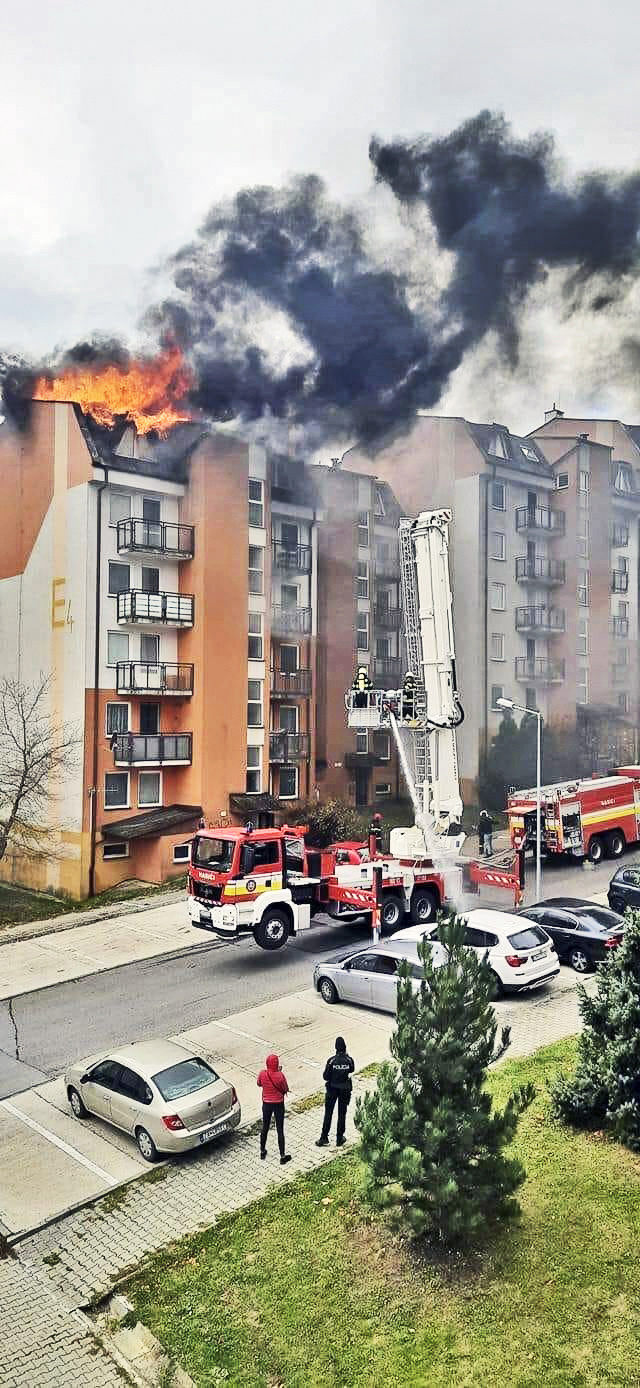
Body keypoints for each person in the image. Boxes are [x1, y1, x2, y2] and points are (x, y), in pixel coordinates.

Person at [315, 1036, 355, 1148]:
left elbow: (325, 1076)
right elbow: (352, 1069)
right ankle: (339, 1138)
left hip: (332, 1089)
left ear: (336, 1048)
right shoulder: (349, 1060)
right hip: (345, 1090)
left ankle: (324, 1138)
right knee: (342, 1114)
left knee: (328, 1113)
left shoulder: (332, 1060)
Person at [257, 1054, 292, 1164]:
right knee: (279, 1129)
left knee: (265, 1127)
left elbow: (259, 1084)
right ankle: (282, 1155)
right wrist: (278, 1072)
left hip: (266, 1104)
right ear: (276, 1063)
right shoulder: (280, 1075)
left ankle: (262, 1151)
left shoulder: (262, 1073)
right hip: (278, 1104)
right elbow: (285, 1088)